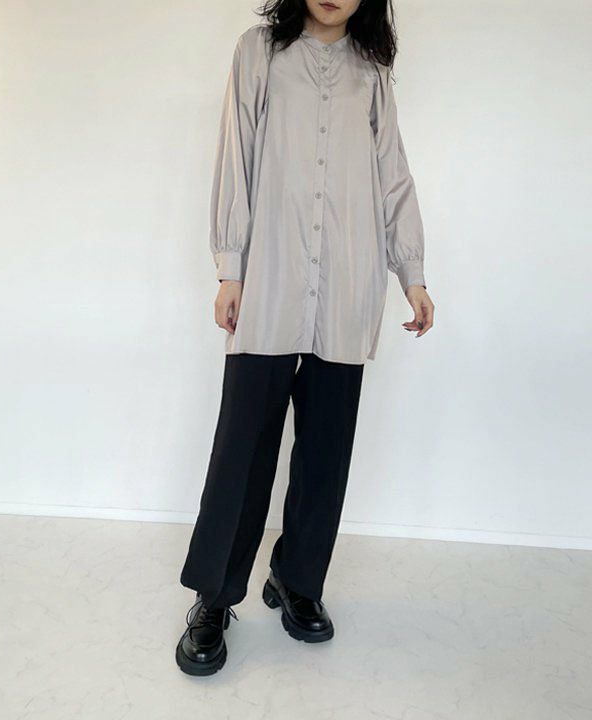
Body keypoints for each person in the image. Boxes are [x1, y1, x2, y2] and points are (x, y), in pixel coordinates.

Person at [176, 0, 434, 676]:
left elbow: (393, 172)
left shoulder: (370, 70)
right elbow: (235, 154)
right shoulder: (259, 51)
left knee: (326, 448)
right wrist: (230, 268)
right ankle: (214, 597)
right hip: (269, 277)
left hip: (346, 282)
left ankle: (297, 577)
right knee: (243, 444)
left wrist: (412, 273)